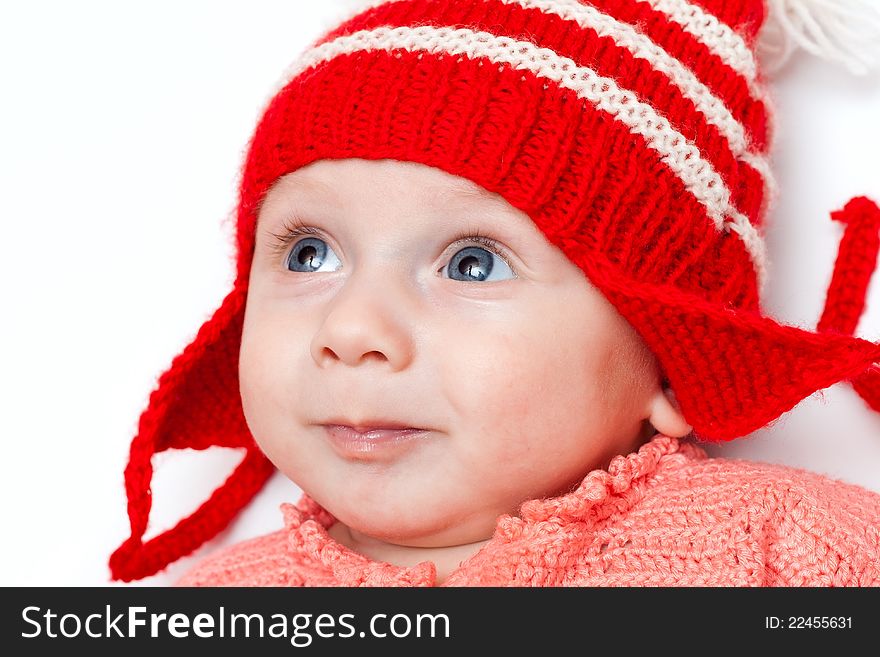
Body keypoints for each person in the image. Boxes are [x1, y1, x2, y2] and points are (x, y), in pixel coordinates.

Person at [109, 0, 880, 586]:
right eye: (310, 254)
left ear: (670, 361)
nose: (350, 327)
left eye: (473, 263)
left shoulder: (786, 550)